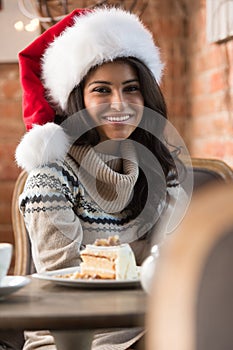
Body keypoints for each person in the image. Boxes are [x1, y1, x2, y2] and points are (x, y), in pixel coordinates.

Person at [15, 6, 190, 350]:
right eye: (102, 90)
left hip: (152, 327)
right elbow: (66, 283)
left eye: (131, 88)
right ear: (78, 98)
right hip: (70, 336)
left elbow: (171, 267)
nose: (119, 103)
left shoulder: (162, 170)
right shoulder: (49, 177)